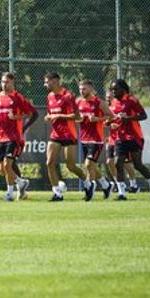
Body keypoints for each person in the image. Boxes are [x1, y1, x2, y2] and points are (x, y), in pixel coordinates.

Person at [109, 79, 150, 200]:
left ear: (123, 89)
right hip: (120, 137)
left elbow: (143, 115)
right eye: (112, 89)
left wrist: (128, 118)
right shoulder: (114, 102)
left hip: (134, 136)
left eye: (115, 89)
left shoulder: (132, 100)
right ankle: (122, 193)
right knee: (118, 162)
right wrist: (111, 123)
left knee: (137, 164)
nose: (113, 91)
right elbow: (112, 119)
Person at [0, 72, 36, 201]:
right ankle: (20, 182)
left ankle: (9, 194)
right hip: (1, 136)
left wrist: (17, 118)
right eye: (3, 81)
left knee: (7, 164)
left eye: (7, 82)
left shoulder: (18, 98)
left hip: (14, 136)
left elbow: (31, 113)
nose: (4, 84)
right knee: (3, 169)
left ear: (12, 82)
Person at [43, 72, 88, 202]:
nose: (45, 84)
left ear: (56, 81)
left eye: (47, 81)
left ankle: (87, 183)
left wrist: (59, 116)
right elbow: (50, 113)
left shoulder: (68, 96)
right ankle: (57, 193)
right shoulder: (50, 96)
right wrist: (48, 117)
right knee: (49, 163)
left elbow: (77, 116)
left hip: (69, 134)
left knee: (71, 166)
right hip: (55, 134)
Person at [76, 79, 112, 201]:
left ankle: (90, 189)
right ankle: (106, 185)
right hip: (84, 139)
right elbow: (75, 117)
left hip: (96, 139)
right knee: (91, 165)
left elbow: (111, 116)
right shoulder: (78, 102)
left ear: (91, 89)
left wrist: (97, 119)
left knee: (88, 164)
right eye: (80, 89)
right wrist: (78, 119)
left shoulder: (99, 103)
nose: (81, 91)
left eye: (84, 88)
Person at [104, 90, 138, 196]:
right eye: (107, 97)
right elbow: (105, 123)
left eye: (110, 97)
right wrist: (109, 126)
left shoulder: (120, 106)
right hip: (112, 139)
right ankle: (118, 184)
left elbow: (126, 121)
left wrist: (117, 126)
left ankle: (134, 184)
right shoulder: (106, 109)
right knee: (110, 162)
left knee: (126, 163)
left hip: (123, 138)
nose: (108, 98)